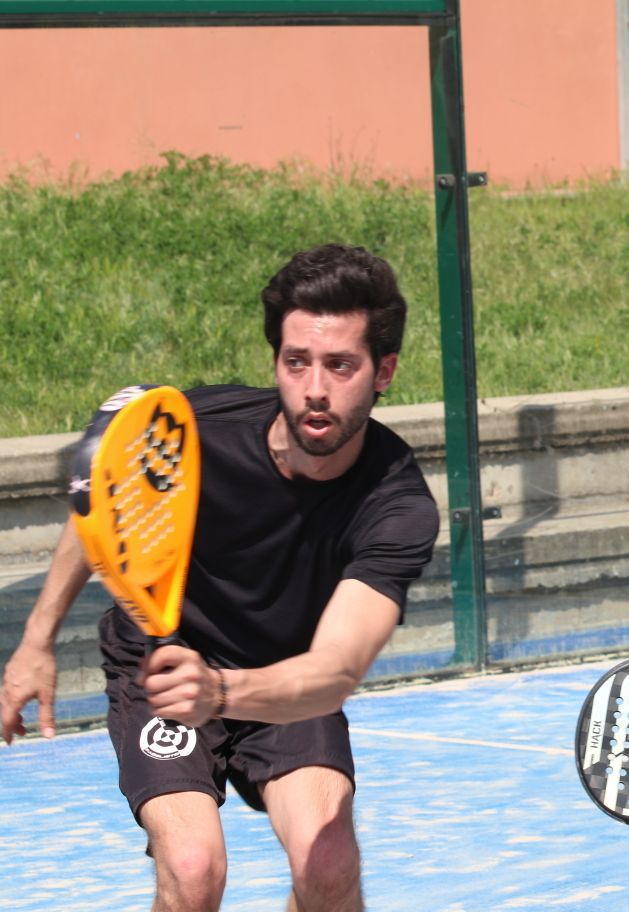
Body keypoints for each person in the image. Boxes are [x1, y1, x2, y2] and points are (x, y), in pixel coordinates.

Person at [1, 244, 440, 912]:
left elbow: (336, 670)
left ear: (384, 371)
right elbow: (101, 502)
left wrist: (226, 690)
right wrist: (37, 641)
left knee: (329, 864)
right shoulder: (193, 431)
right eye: (296, 362)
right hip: (165, 664)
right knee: (194, 866)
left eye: (340, 365)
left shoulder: (396, 504)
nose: (315, 388)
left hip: (285, 682)